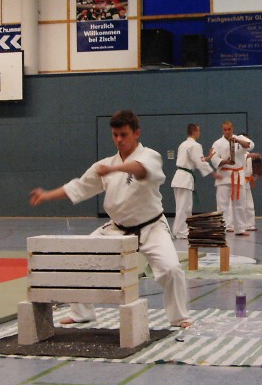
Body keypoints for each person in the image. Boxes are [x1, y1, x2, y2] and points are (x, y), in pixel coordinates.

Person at [29, 110, 191, 328]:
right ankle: (81, 313)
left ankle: (179, 317)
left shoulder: (149, 156)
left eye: (124, 135)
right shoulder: (105, 165)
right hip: (117, 229)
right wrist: (47, 195)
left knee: (171, 269)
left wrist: (114, 169)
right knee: (77, 259)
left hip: (152, 227)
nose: (119, 140)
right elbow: (79, 187)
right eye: (115, 135)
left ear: (136, 133)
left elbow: (140, 169)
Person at [170, 123, 219, 239]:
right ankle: (182, 232)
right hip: (184, 179)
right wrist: (213, 173)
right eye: (199, 131)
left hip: (179, 177)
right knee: (184, 207)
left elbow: (194, 160)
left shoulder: (183, 144)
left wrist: (207, 158)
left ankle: (178, 231)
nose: (200, 133)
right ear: (194, 131)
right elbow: (199, 163)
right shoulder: (195, 145)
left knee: (181, 206)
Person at [210, 122, 254, 236]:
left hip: (238, 175)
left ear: (233, 129)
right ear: (222, 130)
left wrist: (237, 140)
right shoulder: (217, 143)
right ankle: (221, 228)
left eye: (229, 129)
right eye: (225, 130)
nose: (227, 132)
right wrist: (225, 161)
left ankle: (240, 229)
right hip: (224, 176)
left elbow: (250, 145)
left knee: (240, 204)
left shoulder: (240, 138)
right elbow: (214, 159)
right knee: (222, 205)